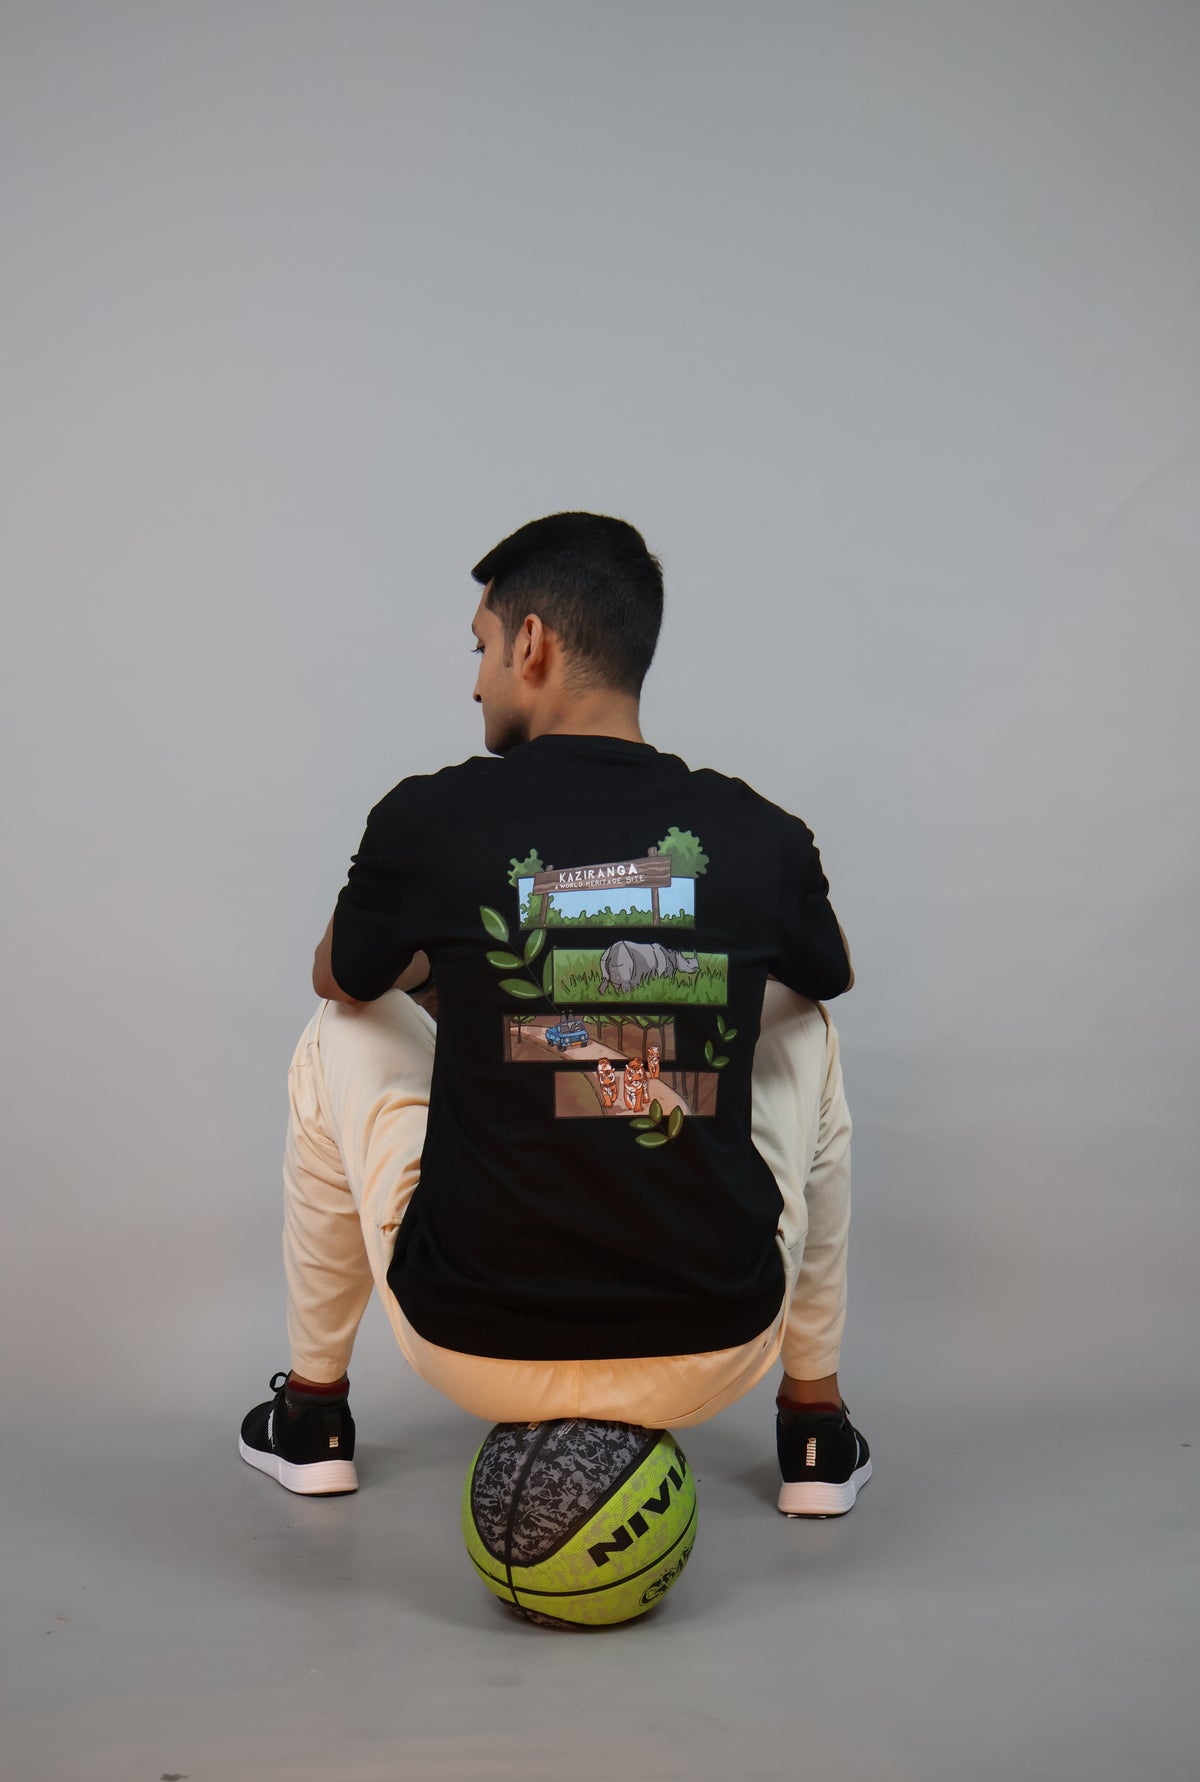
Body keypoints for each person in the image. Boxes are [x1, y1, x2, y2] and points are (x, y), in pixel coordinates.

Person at [238, 512, 871, 1519]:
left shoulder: (428, 818)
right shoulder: (762, 833)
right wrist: (664, 951)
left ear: (531, 643)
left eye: (482, 648)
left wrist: (462, 969)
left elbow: (338, 976)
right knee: (802, 1022)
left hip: (472, 1347)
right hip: (714, 1347)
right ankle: (816, 1429)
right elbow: (826, 974)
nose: (475, 683)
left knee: (339, 1030)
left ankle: (312, 1416)